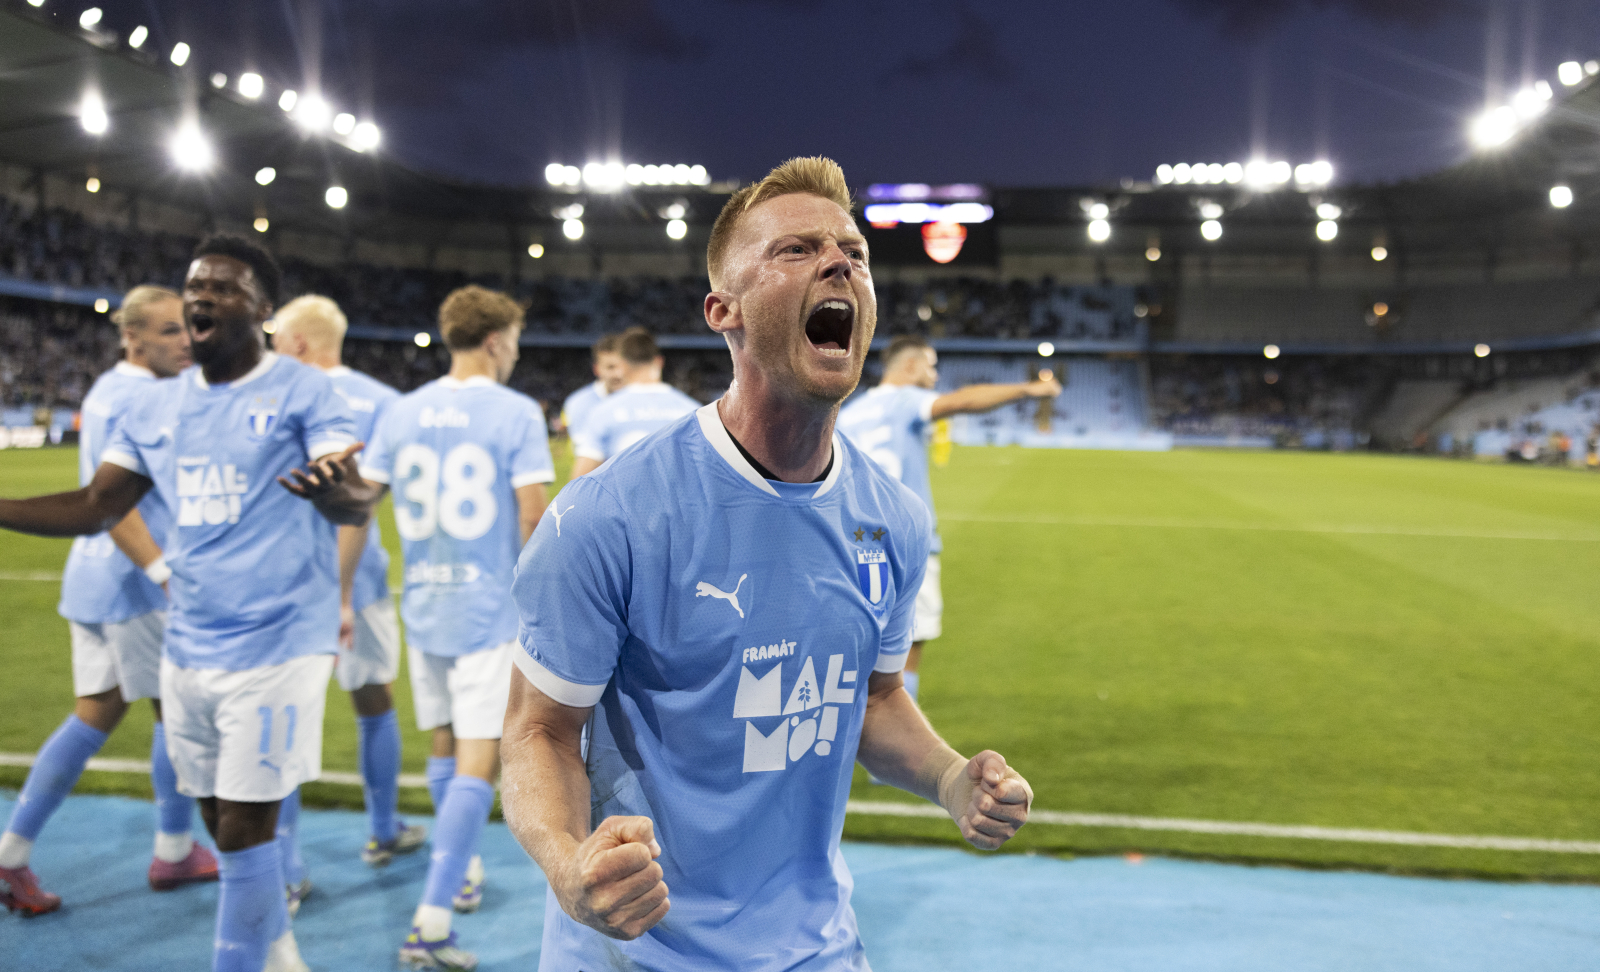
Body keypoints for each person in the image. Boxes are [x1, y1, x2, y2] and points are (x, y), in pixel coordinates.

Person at [500, 157, 1032, 971]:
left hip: (815, 948)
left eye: (854, 252)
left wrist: (953, 780)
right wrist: (569, 865)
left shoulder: (893, 519)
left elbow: (874, 696)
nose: (840, 264)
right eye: (797, 249)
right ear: (725, 311)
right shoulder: (609, 514)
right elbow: (539, 729)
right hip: (636, 952)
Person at [0, 234, 380, 972]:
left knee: (242, 826)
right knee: (218, 816)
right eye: (195, 286)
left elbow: (354, 495)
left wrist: (341, 494)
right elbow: (96, 506)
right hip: (188, 644)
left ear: (263, 309)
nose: (202, 296)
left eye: (224, 287)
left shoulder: (303, 390)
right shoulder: (153, 405)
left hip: (278, 645)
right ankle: (277, 950)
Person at [355, 285, 554, 971]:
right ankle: (431, 924)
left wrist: (342, 593)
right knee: (479, 757)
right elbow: (533, 513)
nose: (515, 354)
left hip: (425, 604)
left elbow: (358, 505)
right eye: (515, 342)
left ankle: (461, 866)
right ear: (496, 340)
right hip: (488, 607)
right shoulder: (515, 412)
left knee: (444, 742)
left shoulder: (401, 411)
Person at [0, 285, 216, 916]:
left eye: (187, 328)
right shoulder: (143, 397)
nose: (186, 341)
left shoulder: (105, 390)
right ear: (132, 336)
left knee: (94, 715)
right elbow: (110, 508)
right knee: (175, 715)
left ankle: (12, 855)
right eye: (170, 330)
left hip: (92, 581)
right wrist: (161, 570)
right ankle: (173, 849)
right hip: (134, 586)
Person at [269, 295, 426, 910]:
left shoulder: (270, 395)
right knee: (373, 698)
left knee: (280, 719)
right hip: (363, 584)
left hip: (286, 587)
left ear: (299, 343)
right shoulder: (384, 401)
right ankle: (383, 830)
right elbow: (363, 507)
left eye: (277, 338)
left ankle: (286, 870)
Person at [837, 336, 1060, 702]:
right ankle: (893, 725)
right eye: (931, 365)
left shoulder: (848, 414)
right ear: (910, 366)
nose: (935, 375)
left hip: (851, 545)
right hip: (906, 546)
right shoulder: (908, 399)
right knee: (905, 654)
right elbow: (961, 401)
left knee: (854, 650)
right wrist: (1029, 389)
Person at [568, 327, 699, 477]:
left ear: (622, 365)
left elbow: (580, 480)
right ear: (659, 361)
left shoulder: (604, 412)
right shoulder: (693, 412)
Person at [557, 333, 624, 436]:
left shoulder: (644, 399)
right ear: (596, 369)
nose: (618, 374)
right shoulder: (578, 404)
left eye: (623, 366)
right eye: (610, 367)